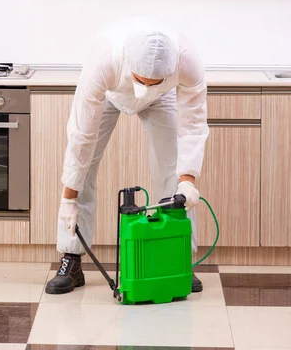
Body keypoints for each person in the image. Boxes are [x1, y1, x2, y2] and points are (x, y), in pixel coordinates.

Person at [45, 16, 209, 295]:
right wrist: (67, 199)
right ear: (129, 67)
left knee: (171, 170)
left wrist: (188, 179)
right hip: (111, 94)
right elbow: (81, 137)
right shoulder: (104, 60)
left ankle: (178, 258)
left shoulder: (187, 61)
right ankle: (71, 259)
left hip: (163, 98)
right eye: (140, 80)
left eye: (153, 81)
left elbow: (193, 126)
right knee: (87, 165)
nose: (144, 87)